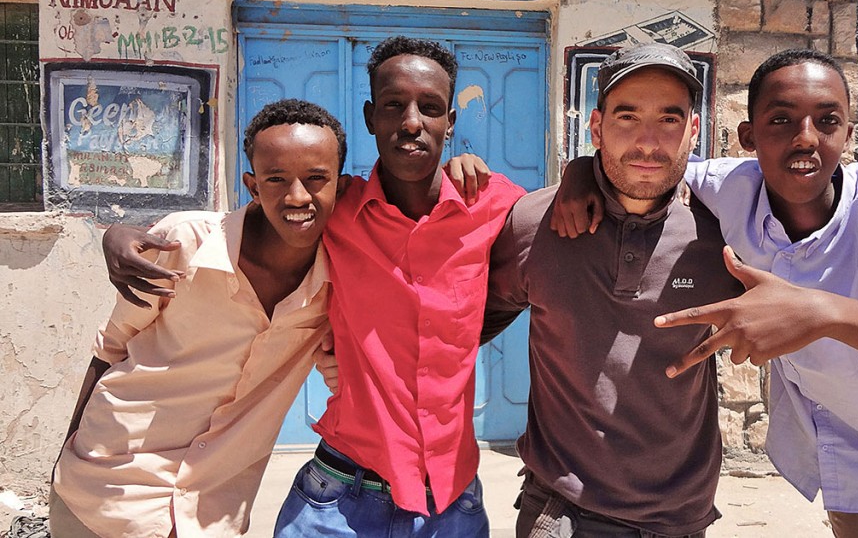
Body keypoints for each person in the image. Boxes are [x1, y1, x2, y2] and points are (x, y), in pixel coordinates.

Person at [554, 49, 858, 537]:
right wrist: (579, 173)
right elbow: (654, 161)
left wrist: (820, 312)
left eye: (827, 121)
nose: (805, 139)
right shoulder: (730, 189)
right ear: (749, 136)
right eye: (781, 120)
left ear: (849, 134)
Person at [101, 36, 526, 538]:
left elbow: (557, 241)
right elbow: (258, 216)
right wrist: (120, 232)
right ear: (370, 117)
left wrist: (584, 173)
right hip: (337, 499)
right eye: (394, 105)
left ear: (450, 121)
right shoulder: (338, 207)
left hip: (450, 499)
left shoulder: (495, 205)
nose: (412, 121)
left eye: (430, 108)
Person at [51, 99, 347, 538]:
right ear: (251, 184)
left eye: (317, 178)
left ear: (341, 183)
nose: (298, 196)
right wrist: (67, 454)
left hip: (210, 511)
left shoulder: (338, 282)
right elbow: (110, 348)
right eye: (276, 179)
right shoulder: (184, 243)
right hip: (106, 489)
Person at [482, 43, 744, 537]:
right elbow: (459, 326)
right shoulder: (534, 224)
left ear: (693, 131)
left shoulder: (724, 233)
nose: (648, 142)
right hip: (561, 515)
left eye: (669, 120)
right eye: (628, 117)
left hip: (680, 521)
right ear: (596, 127)